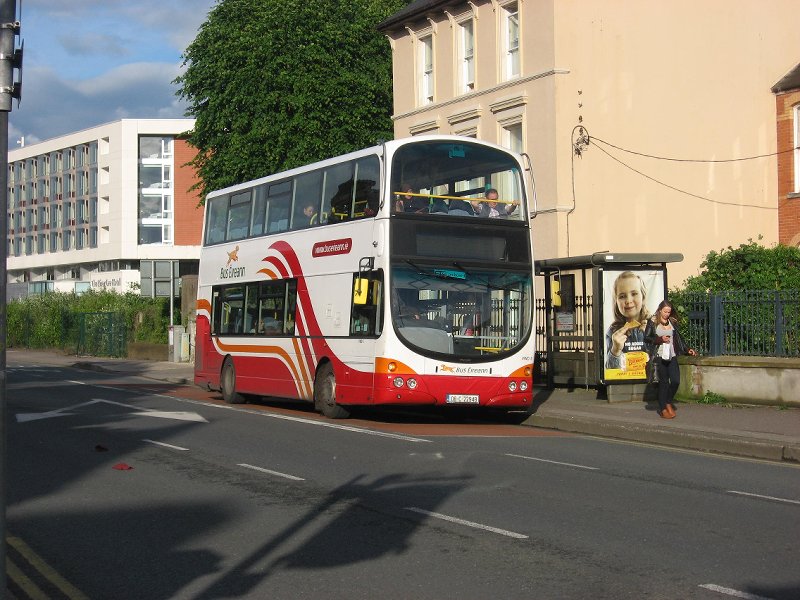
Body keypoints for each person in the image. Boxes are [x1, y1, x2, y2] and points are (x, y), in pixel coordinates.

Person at [644, 300, 697, 419]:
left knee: (675, 381)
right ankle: (663, 409)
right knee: (663, 383)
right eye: (665, 311)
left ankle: (668, 401)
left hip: (671, 355)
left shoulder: (672, 322)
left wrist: (687, 349)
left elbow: (678, 339)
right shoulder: (653, 322)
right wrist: (660, 339)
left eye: (669, 312)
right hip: (659, 357)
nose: (667, 314)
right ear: (660, 310)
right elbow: (647, 338)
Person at [605, 271, 651, 369]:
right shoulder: (613, 332)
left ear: (643, 297)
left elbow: (662, 361)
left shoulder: (654, 325)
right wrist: (615, 351)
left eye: (634, 293)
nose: (628, 301)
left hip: (649, 383)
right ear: (616, 302)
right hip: (624, 383)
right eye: (622, 296)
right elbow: (610, 370)